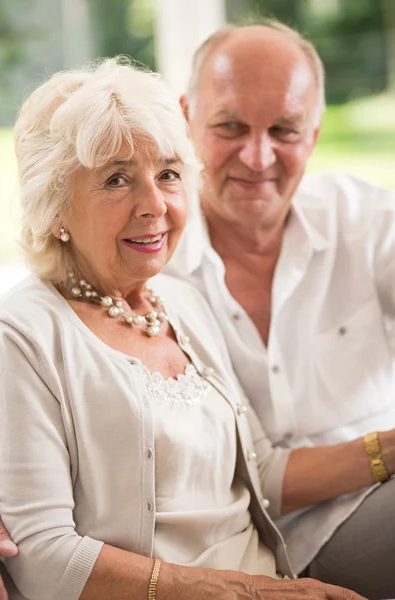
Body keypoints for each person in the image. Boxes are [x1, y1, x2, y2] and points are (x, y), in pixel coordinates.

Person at [0, 57, 369, 600]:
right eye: (116, 179)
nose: (155, 206)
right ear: (54, 206)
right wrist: (247, 592)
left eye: (168, 174)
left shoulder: (182, 302)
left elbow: (259, 473)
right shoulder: (21, 336)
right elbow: (46, 560)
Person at [161, 18, 395, 599]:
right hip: (269, 538)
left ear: (313, 135)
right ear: (187, 119)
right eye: (231, 126)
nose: (258, 156)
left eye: (284, 130)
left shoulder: (362, 222)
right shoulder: (151, 265)